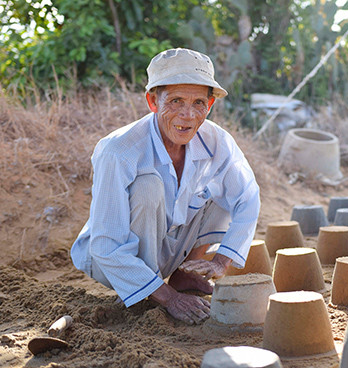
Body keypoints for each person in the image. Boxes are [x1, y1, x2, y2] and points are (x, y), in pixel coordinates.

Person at [71, 48, 260, 325]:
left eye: (198, 103)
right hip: (111, 262)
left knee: (222, 186)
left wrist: (221, 260)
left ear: (209, 106)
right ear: (153, 102)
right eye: (175, 100)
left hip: (169, 248)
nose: (187, 115)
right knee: (148, 187)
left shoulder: (216, 141)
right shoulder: (119, 151)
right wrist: (170, 298)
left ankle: (185, 274)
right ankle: (152, 290)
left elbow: (248, 197)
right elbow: (106, 246)